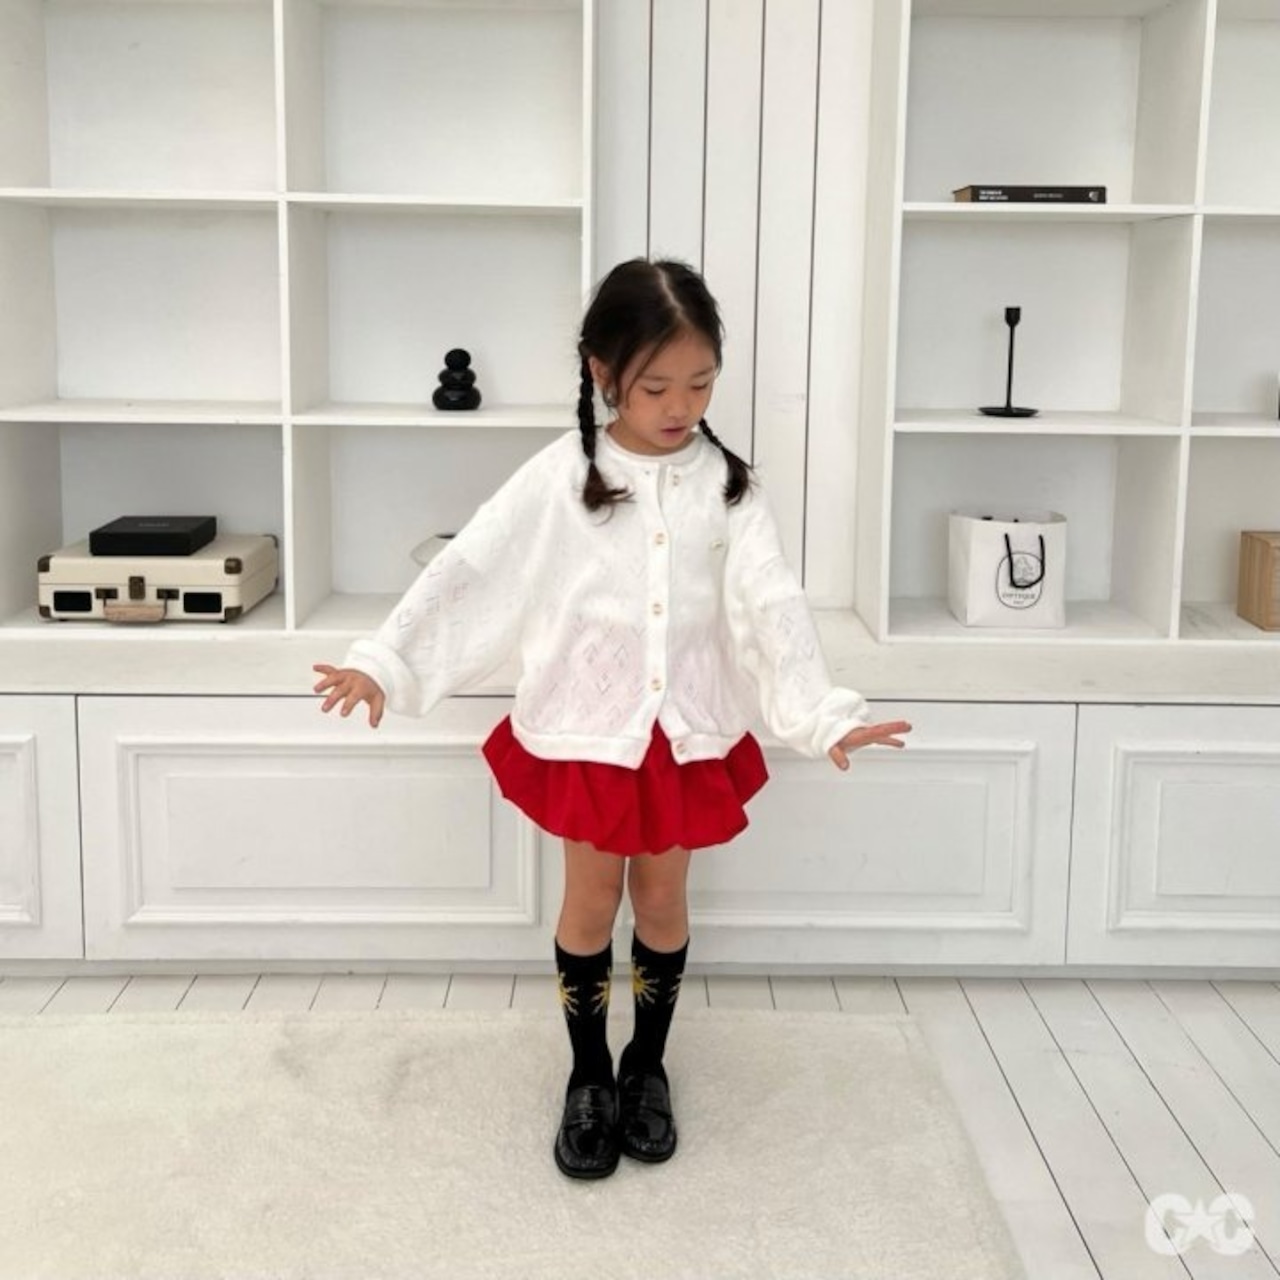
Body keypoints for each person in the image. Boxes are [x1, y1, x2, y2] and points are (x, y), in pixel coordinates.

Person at [313, 257, 912, 1182]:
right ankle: (589, 1073)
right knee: (591, 903)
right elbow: (475, 567)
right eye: (656, 386)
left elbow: (771, 605)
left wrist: (821, 714)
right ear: (602, 372)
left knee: (664, 903)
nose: (681, 405)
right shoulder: (560, 475)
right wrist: (388, 660)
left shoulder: (730, 487)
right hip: (587, 733)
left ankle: (647, 1066)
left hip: (684, 736)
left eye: (701, 383)